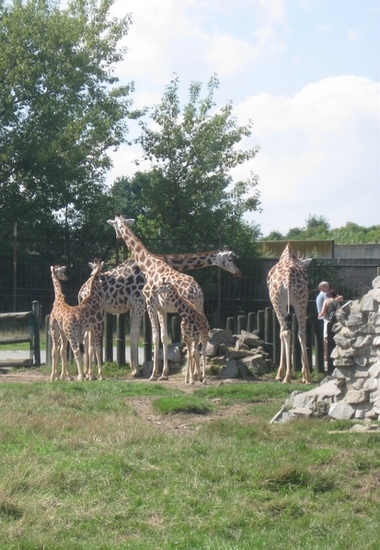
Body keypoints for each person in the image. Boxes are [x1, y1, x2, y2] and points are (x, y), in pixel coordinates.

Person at [318, 289, 342, 369]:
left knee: (326, 339)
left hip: (327, 321)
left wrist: (319, 316)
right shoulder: (337, 302)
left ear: (328, 295)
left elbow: (323, 312)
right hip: (335, 322)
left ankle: (326, 355)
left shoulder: (326, 301)